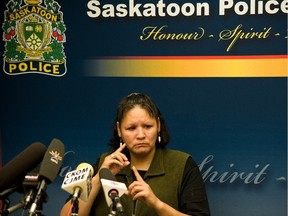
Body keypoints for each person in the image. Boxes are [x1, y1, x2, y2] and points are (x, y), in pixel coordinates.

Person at [60, 93, 210, 216]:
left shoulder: (182, 164)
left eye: (147, 126)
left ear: (158, 125)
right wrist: (98, 178)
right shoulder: (103, 163)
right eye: (131, 128)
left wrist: (156, 204)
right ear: (119, 130)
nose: (140, 135)